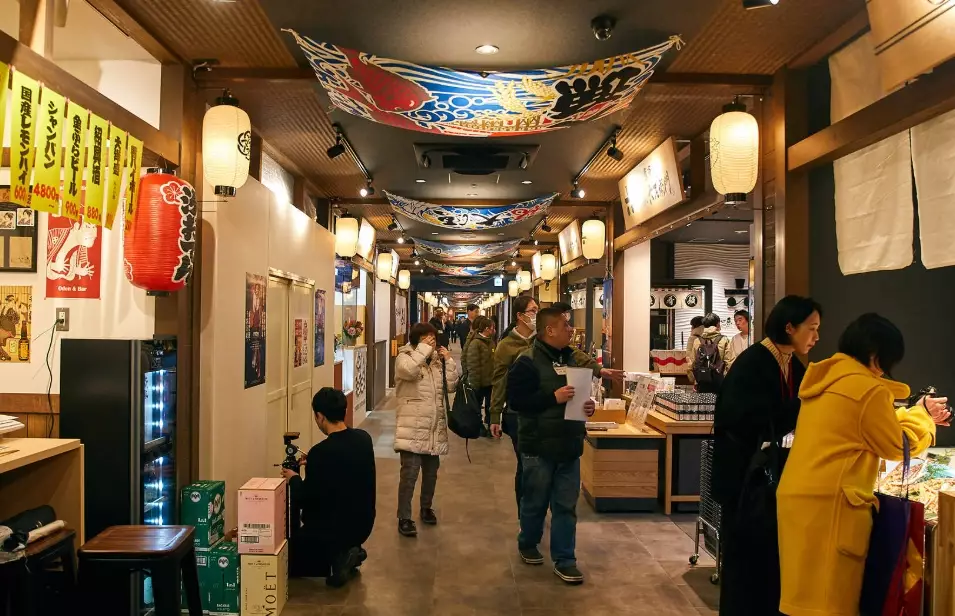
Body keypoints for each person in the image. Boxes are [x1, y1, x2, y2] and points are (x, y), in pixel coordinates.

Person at [777, 314, 949, 616]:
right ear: (874, 354)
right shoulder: (868, 390)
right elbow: (897, 445)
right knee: (833, 603)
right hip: (835, 509)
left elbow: (861, 426)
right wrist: (923, 417)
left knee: (803, 600)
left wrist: (910, 410)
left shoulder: (826, 379)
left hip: (799, 502)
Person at [712, 295, 822, 616]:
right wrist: (802, 406)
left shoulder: (788, 362)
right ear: (790, 328)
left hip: (761, 479)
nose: (816, 337)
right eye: (811, 329)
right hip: (743, 481)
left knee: (761, 562)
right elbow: (749, 418)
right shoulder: (755, 362)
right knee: (743, 562)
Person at [489, 297, 620, 517]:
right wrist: (494, 414)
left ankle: (547, 514)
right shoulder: (507, 345)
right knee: (526, 466)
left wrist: (599, 371)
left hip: (552, 417)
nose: (535, 313)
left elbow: (578, 357)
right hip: (519, 413)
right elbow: (500, 380)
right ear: (520, 316)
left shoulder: (551, 342)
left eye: (537, 310)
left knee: (550, 474)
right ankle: (527, 514)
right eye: (531, 310)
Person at [507, 307, 596, 584]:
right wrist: (552, 397)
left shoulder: (573, 359)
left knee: (566, 506)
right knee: (535, 501)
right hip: (538, 445)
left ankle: (565, 559)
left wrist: (587, 406)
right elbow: (517, 403)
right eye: (566, 326)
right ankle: (528, 542)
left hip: (569, 443)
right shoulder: (527, 361)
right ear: (550, 330)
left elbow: (578, 398)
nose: (571, 330)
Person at [283, 388, 376, 587]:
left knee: (290, 556)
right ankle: (350, 550)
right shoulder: (364, 439)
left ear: (320, 416)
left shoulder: (320, 453)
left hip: (330, 531)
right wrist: (316, 464)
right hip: (364, 525)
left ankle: (338, 559)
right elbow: (345, 469)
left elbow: (304, 497)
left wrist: (293, 478)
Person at [393, 322, 458, 537]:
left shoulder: (437, 362)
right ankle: (404, 517)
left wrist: (448, 360)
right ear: (416, 339)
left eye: (432, 337)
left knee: (431, 474)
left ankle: (426, 508)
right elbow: (409, 371)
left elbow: (451, 386)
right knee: (409, 476)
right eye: (425, 338)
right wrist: (422, 350)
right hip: (412, 427)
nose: (431, 341)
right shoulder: (404, 357)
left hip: (433, 427)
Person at [463, 315, 496, 438]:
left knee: (490, 406)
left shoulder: (491, 341)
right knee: (476, 406)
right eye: (493, 328)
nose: (494, 330)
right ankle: (478, 426)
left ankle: (491, 426)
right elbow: (473, 365)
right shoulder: (475, 343)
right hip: (479, 383)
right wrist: (474, 383)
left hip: (490, 381)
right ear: (487, 329)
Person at [687, 312, 733, 393]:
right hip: (719, 381)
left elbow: (692, 363)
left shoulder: (697, 341)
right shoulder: (724, 340)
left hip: (702, 380)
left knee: (703, 404)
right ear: (718, 325)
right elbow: (730, 363)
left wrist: (694, 380)